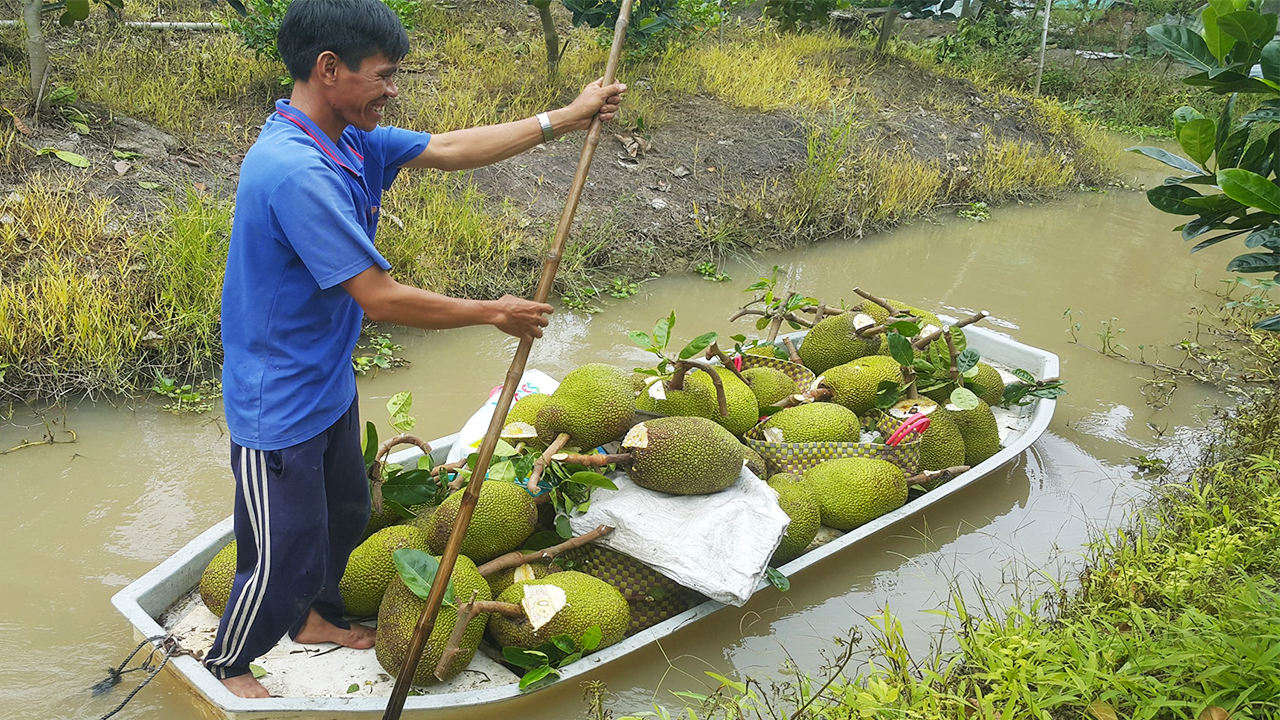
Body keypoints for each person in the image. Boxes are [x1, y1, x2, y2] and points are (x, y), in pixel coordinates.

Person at [204, 0, 625, 698]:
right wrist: (494, 312)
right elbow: (381, 297)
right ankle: (229, 663)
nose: (392, 89)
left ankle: (313, 617)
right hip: (274, 398)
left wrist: (567, 116)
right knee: (279, 552)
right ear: (329, 68)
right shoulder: (295, 169)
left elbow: (452, 148)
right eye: (383, 75)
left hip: (326, 380)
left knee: (343, 516)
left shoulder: (347, 137)